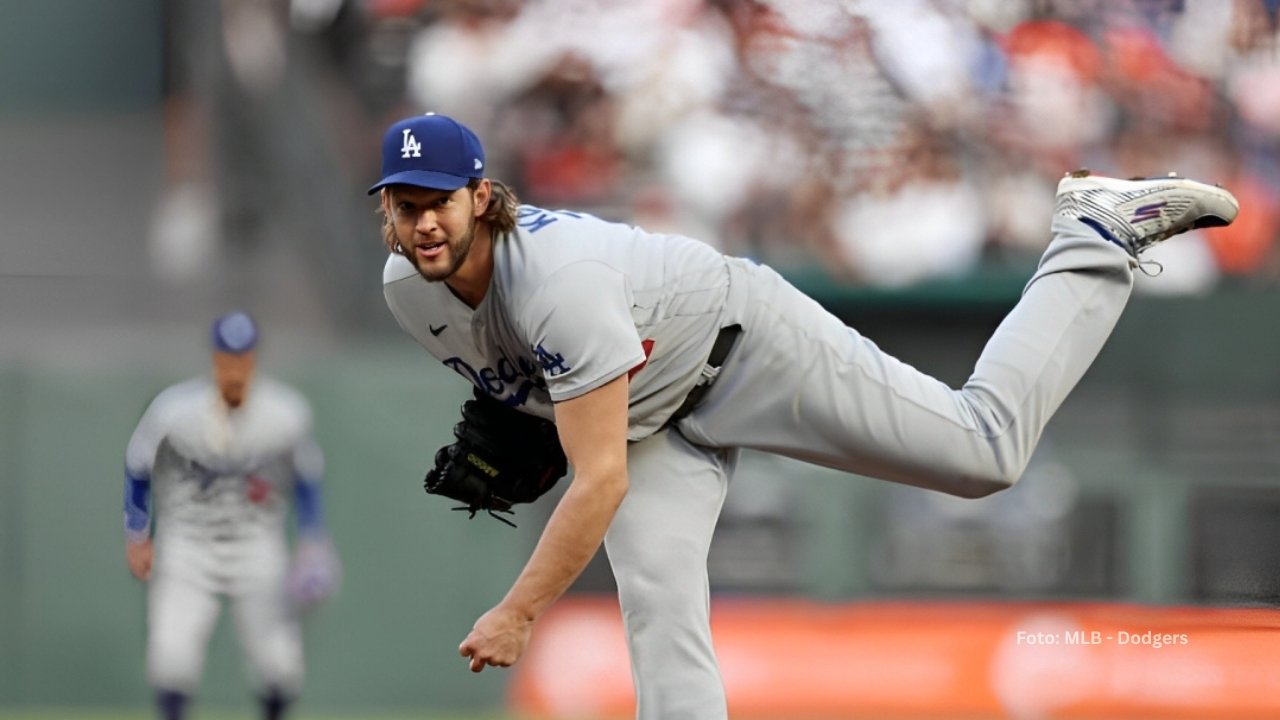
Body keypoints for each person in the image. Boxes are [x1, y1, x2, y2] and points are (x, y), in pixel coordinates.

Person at [369, 113, 1238, 719]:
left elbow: (597, 477)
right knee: (659, 604)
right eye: (402, 207)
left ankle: (1092, 231)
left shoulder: (557, 284)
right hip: (647, 414)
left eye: (435, 201)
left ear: (481, 196)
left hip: (743, 347)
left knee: (985, 452)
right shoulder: (409, 292)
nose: (420, 224)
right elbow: (533, 390)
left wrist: (520, 610)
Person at [122, 311, 340, 720]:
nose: (234, 370)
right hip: (188, 542)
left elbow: (309, 479)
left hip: (256, 543)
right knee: (171, 660)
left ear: (254, 360)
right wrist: (137, 532)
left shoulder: (285, 413)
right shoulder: (174, 411)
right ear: (214, 359)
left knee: (280, 667)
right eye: (227, 359)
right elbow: (137, 466)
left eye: (242, 359)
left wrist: (313, 542)